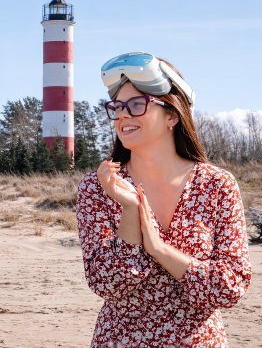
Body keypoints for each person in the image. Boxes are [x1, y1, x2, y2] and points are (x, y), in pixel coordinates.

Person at [76, 52, 251, 348]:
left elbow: (230, 286)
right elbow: (107, 285)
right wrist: (130, 210)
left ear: (172, 115)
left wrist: (159, 250)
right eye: (117, 107)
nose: (122, 115)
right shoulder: (98, 187)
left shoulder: (217, 185)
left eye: (136, 104)